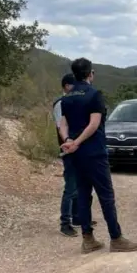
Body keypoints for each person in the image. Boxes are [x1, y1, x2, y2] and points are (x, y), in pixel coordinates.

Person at [58, 58, 137, 253]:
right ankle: (116, 238)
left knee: (84, 195)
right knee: (106, 196)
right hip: (94, 153)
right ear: (90, 74)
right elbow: (94, 124)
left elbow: (63, 123)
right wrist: (78, 142)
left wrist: (69, 140)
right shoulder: (94, 95)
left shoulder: (67, 98)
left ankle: (88, 239)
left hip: (76, 155)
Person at [52, 74, 96, 237]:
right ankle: (65, 223)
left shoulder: (72, 102)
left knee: (81, 185)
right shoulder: (61, 104)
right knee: (70, 187)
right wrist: (71, 143)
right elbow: (61, 127)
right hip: (69, 150)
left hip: (79, 149)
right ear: (67, 86)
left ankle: (78, 217)